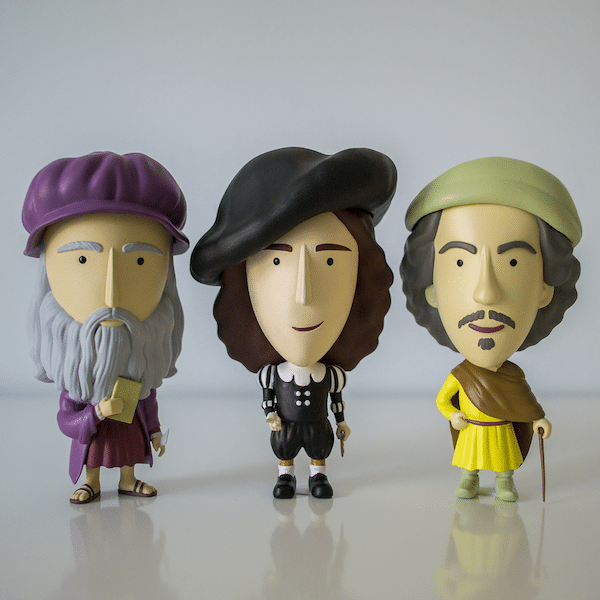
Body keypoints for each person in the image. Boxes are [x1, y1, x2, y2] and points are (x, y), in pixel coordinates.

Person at [190, 147, 396, 498]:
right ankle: (285, 476)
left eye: (329, 261)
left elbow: (337, 402)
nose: (303, 295)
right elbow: (269, 399)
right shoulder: (273, 375)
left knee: (318, 450)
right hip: (285, 431)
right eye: (276, 263)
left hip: (318, 429)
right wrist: (271, 415)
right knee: (285, 452)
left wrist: (341, 422)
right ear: (243, 283)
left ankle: (317, 476)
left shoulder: (330, 376)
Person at [400, 157, 581, 501]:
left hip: (499, 434)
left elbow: (524, 404)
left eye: (512, 262)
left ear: (545, 289)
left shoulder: (513, 378)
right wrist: (453, 414)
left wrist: (538, 419)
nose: (486, 293)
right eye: (459, 262)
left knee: (502, 463)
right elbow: (444, 399)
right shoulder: (461, 376)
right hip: (472, 432)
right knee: (470, 462)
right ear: (430, 288)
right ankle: (470, 478)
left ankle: (504, 481)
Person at [22, 151, 188, 503]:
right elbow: (66, 420)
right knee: (95, 452)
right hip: (97, 426)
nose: (112, 294)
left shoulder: (142, 368)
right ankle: (91, 481)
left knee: (129, 448)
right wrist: (97, 413)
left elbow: (148, 404)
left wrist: (155, 431)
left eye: (140, 260)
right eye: (83, 259)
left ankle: (128, 479)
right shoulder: (76, 377)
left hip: (129, 430)